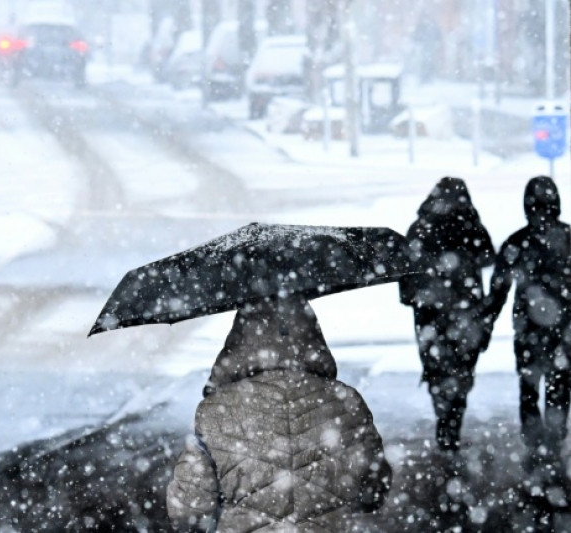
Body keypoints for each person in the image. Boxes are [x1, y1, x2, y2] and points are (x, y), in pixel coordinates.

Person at [166, 295, 391, 531]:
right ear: (314, 339)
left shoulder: (213, 412)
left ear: (237, 344)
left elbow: (189, 508)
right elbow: (373, 492)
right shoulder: (346, 401)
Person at [398, 177, 495, 452]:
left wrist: (413, 297)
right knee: (462, 366)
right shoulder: (470, 226)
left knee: (435, 366)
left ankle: (444, 420)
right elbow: (488, 255)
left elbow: (406, 270)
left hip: (429, 312)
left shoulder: (420, 227)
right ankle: (453, 420)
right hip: (465, 310)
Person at [483, 176, 571, 452]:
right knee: (559, 383)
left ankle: (534, 442)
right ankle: (555, 437)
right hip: (564, 327)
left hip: (528, 327)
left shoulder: (516, 243)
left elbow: (499, 289)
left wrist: (486, 321)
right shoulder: (568, 238)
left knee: (529, 386)